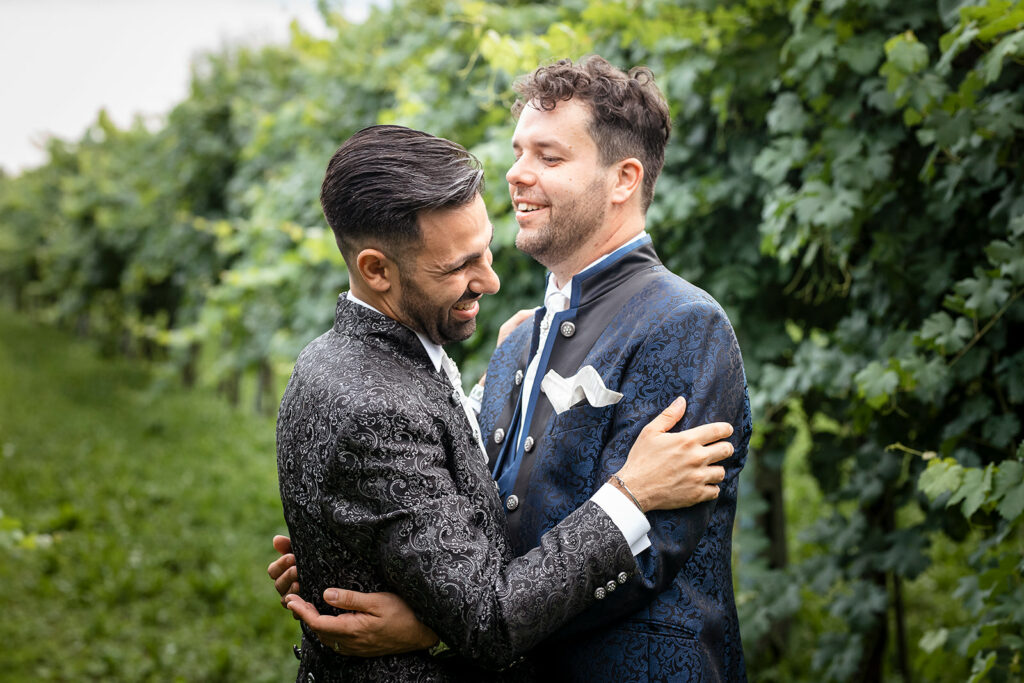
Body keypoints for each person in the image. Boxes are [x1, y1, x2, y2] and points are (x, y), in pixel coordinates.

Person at [275, 123, 737, 682]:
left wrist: (369, 571)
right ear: (376, 270)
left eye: (485, 249)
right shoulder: (379, 404)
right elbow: (489, 620)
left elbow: (448, 488)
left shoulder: (331, 359)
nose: (491, 281)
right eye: (458, 267)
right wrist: (630, 493)